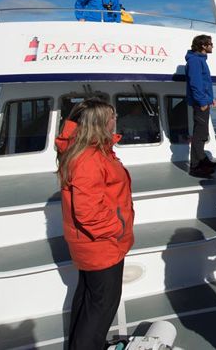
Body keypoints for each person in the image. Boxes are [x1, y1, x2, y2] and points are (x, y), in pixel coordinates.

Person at [55, 98, 134, 350]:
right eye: (112, 116)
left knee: (88, 298)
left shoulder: (85, 151)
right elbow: (88, 213)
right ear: (101, 123)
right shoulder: (89, 159)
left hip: (91, 245)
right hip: (102, 245)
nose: (115, 120)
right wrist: (118, 228)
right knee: (102, 306)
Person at [185, 34, 216, 177]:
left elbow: (204, 83)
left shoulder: (200, 60)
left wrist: (210, 99)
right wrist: (202, 102)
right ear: (203, 46)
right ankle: (196, 167)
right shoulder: (194, 61)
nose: (212, 46)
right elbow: (195, 84)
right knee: (199, 135)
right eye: (210, 44)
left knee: (203, 134)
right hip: (200, 104)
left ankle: (203, 161)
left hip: (204, 101)